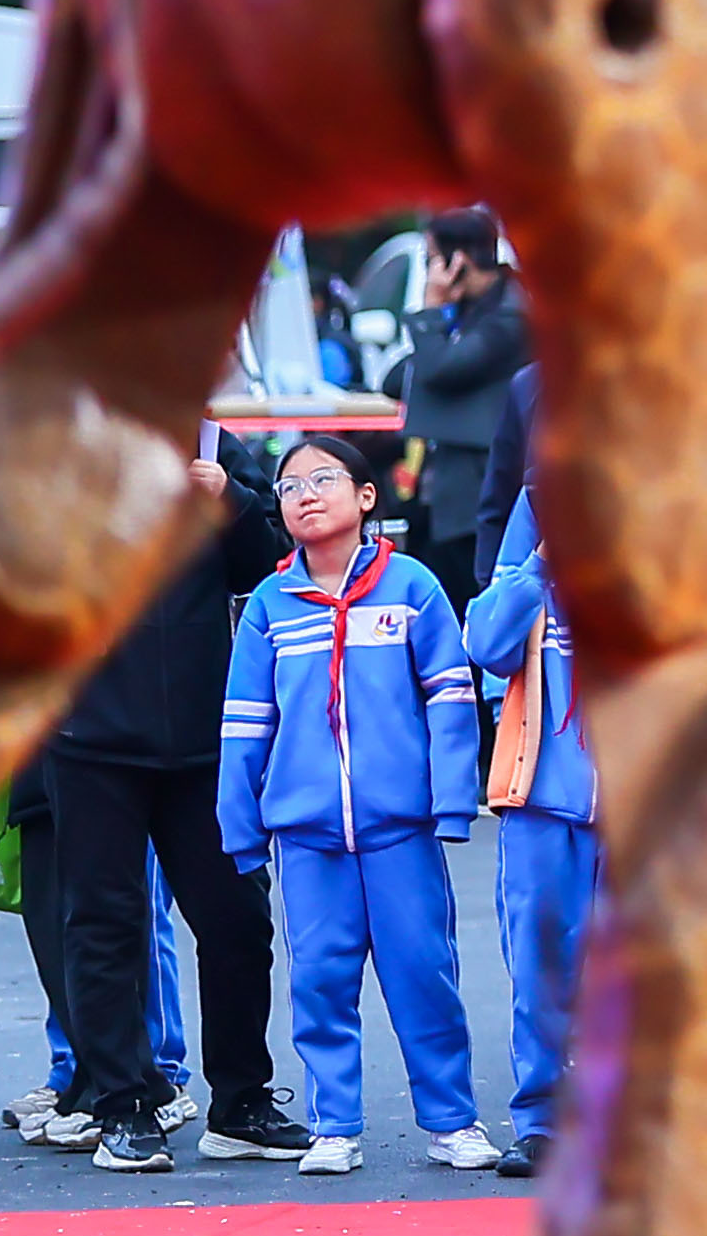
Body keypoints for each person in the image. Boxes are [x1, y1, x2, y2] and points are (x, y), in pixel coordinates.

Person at [218, 431, 490, 1176]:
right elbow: (245, 722)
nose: (304, 495)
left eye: (322, 479)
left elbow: (450, 698)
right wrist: (240, 825)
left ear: (367, 498)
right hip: (306, 836)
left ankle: (452, 1119)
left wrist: (449, 800)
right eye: (289, 486)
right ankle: (333, 1124)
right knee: (320, 981)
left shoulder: (413, 588)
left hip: (399, 829)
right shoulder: (272, 604)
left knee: (423, 974)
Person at [44, 427, 287, 1173]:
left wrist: (231, 500)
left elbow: (271, 561)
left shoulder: (213, 444)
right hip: (89, 736)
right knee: (104, 925)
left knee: (238, 919)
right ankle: (122, 1105)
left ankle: (241, 1102)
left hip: (203, 736)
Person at [467, 494, 599, 1177]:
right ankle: (542, 1121)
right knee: (541, 966)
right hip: (543, 797)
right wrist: (543, 560)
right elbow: (485, 644)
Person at [390, 209, 530, 597]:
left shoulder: (511, 316)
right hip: (450, 483)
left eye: (431, 259)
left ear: (458, 260)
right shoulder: (473, 313)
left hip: (479, 484)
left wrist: (430, 309)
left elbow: (438, 369)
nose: (429, 272)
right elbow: (399, 376)